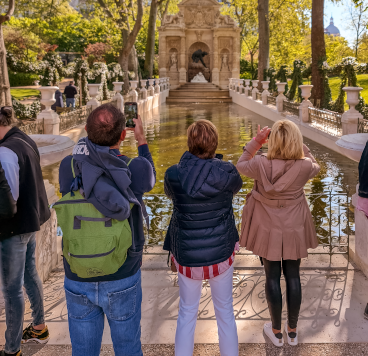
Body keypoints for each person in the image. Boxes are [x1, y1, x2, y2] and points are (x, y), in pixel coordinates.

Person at [58, 103, 155, 356]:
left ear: (86, 131)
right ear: (124, 134)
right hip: (123, 271)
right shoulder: (135, 168)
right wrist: (142, 140)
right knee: (128, 349)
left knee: (83, 351)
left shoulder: (68, 166)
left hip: (78, 272)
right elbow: (150, 177)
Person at [237, 120, 320, 347]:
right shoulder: (304, 166)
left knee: (271, 275)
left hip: (266, 226)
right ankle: (292, 332)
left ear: (271, 141)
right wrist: (302, 147)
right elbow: (316, 165)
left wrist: (256, 141)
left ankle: (276, 332)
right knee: (293, 275)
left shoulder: (259, 163)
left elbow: (240, 163)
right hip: (293, 226)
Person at [163, 119, 242, 356]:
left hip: (187, 253)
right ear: (214, 143)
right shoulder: (227, 172)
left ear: (189, 144)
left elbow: (169, 194)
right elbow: (236, 187)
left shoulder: (173, 174)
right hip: (220, 251)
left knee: (187, 312)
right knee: (225, 312)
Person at [0, 106, 51, 356]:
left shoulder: (5, 151)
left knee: (11, 290)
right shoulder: (23, 138)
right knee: (30, 273)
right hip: (32, 221)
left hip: (14, 229)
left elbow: (8, 201)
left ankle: (11, 349)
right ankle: (39, 326)